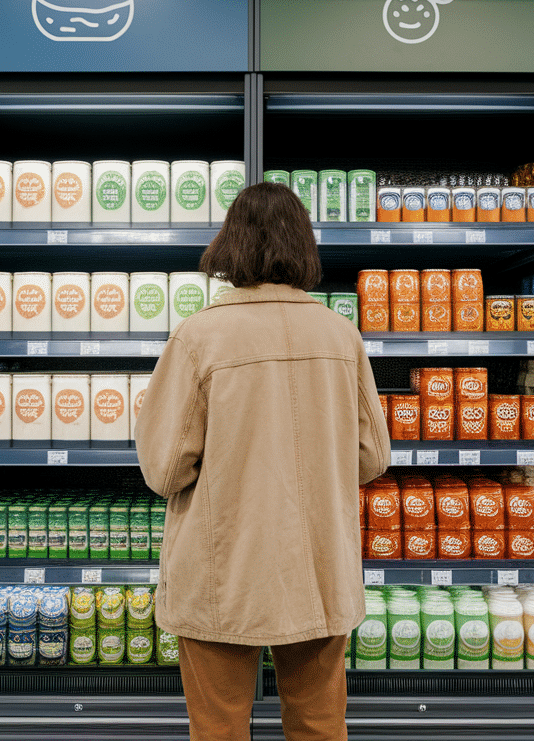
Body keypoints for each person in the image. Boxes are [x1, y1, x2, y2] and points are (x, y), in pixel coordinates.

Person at [135, 182, 391, 741]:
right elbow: (373, 455)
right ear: (305, 247)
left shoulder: (200, 336)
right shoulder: (340, 334)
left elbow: (164, 468)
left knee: (220, 729)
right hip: (319, 567)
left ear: (230, 245)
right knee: (320, 726)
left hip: (222, 571)